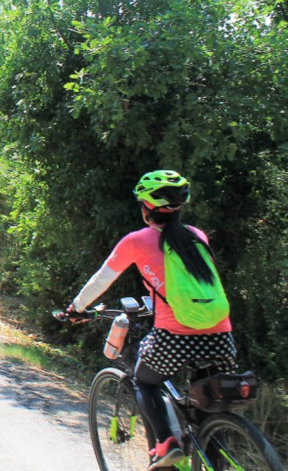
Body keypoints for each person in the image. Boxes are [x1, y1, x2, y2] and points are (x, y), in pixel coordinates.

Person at [67, 170, 236, 470]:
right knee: (207, 408)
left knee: (144, 379)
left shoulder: (136, 241)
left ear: (146, 207)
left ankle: (166, 443)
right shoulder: (197, 236)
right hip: (222, 335)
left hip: (174, 336)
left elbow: (100, 281)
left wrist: (76, 308)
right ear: (180, 206)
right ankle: (215, 456)